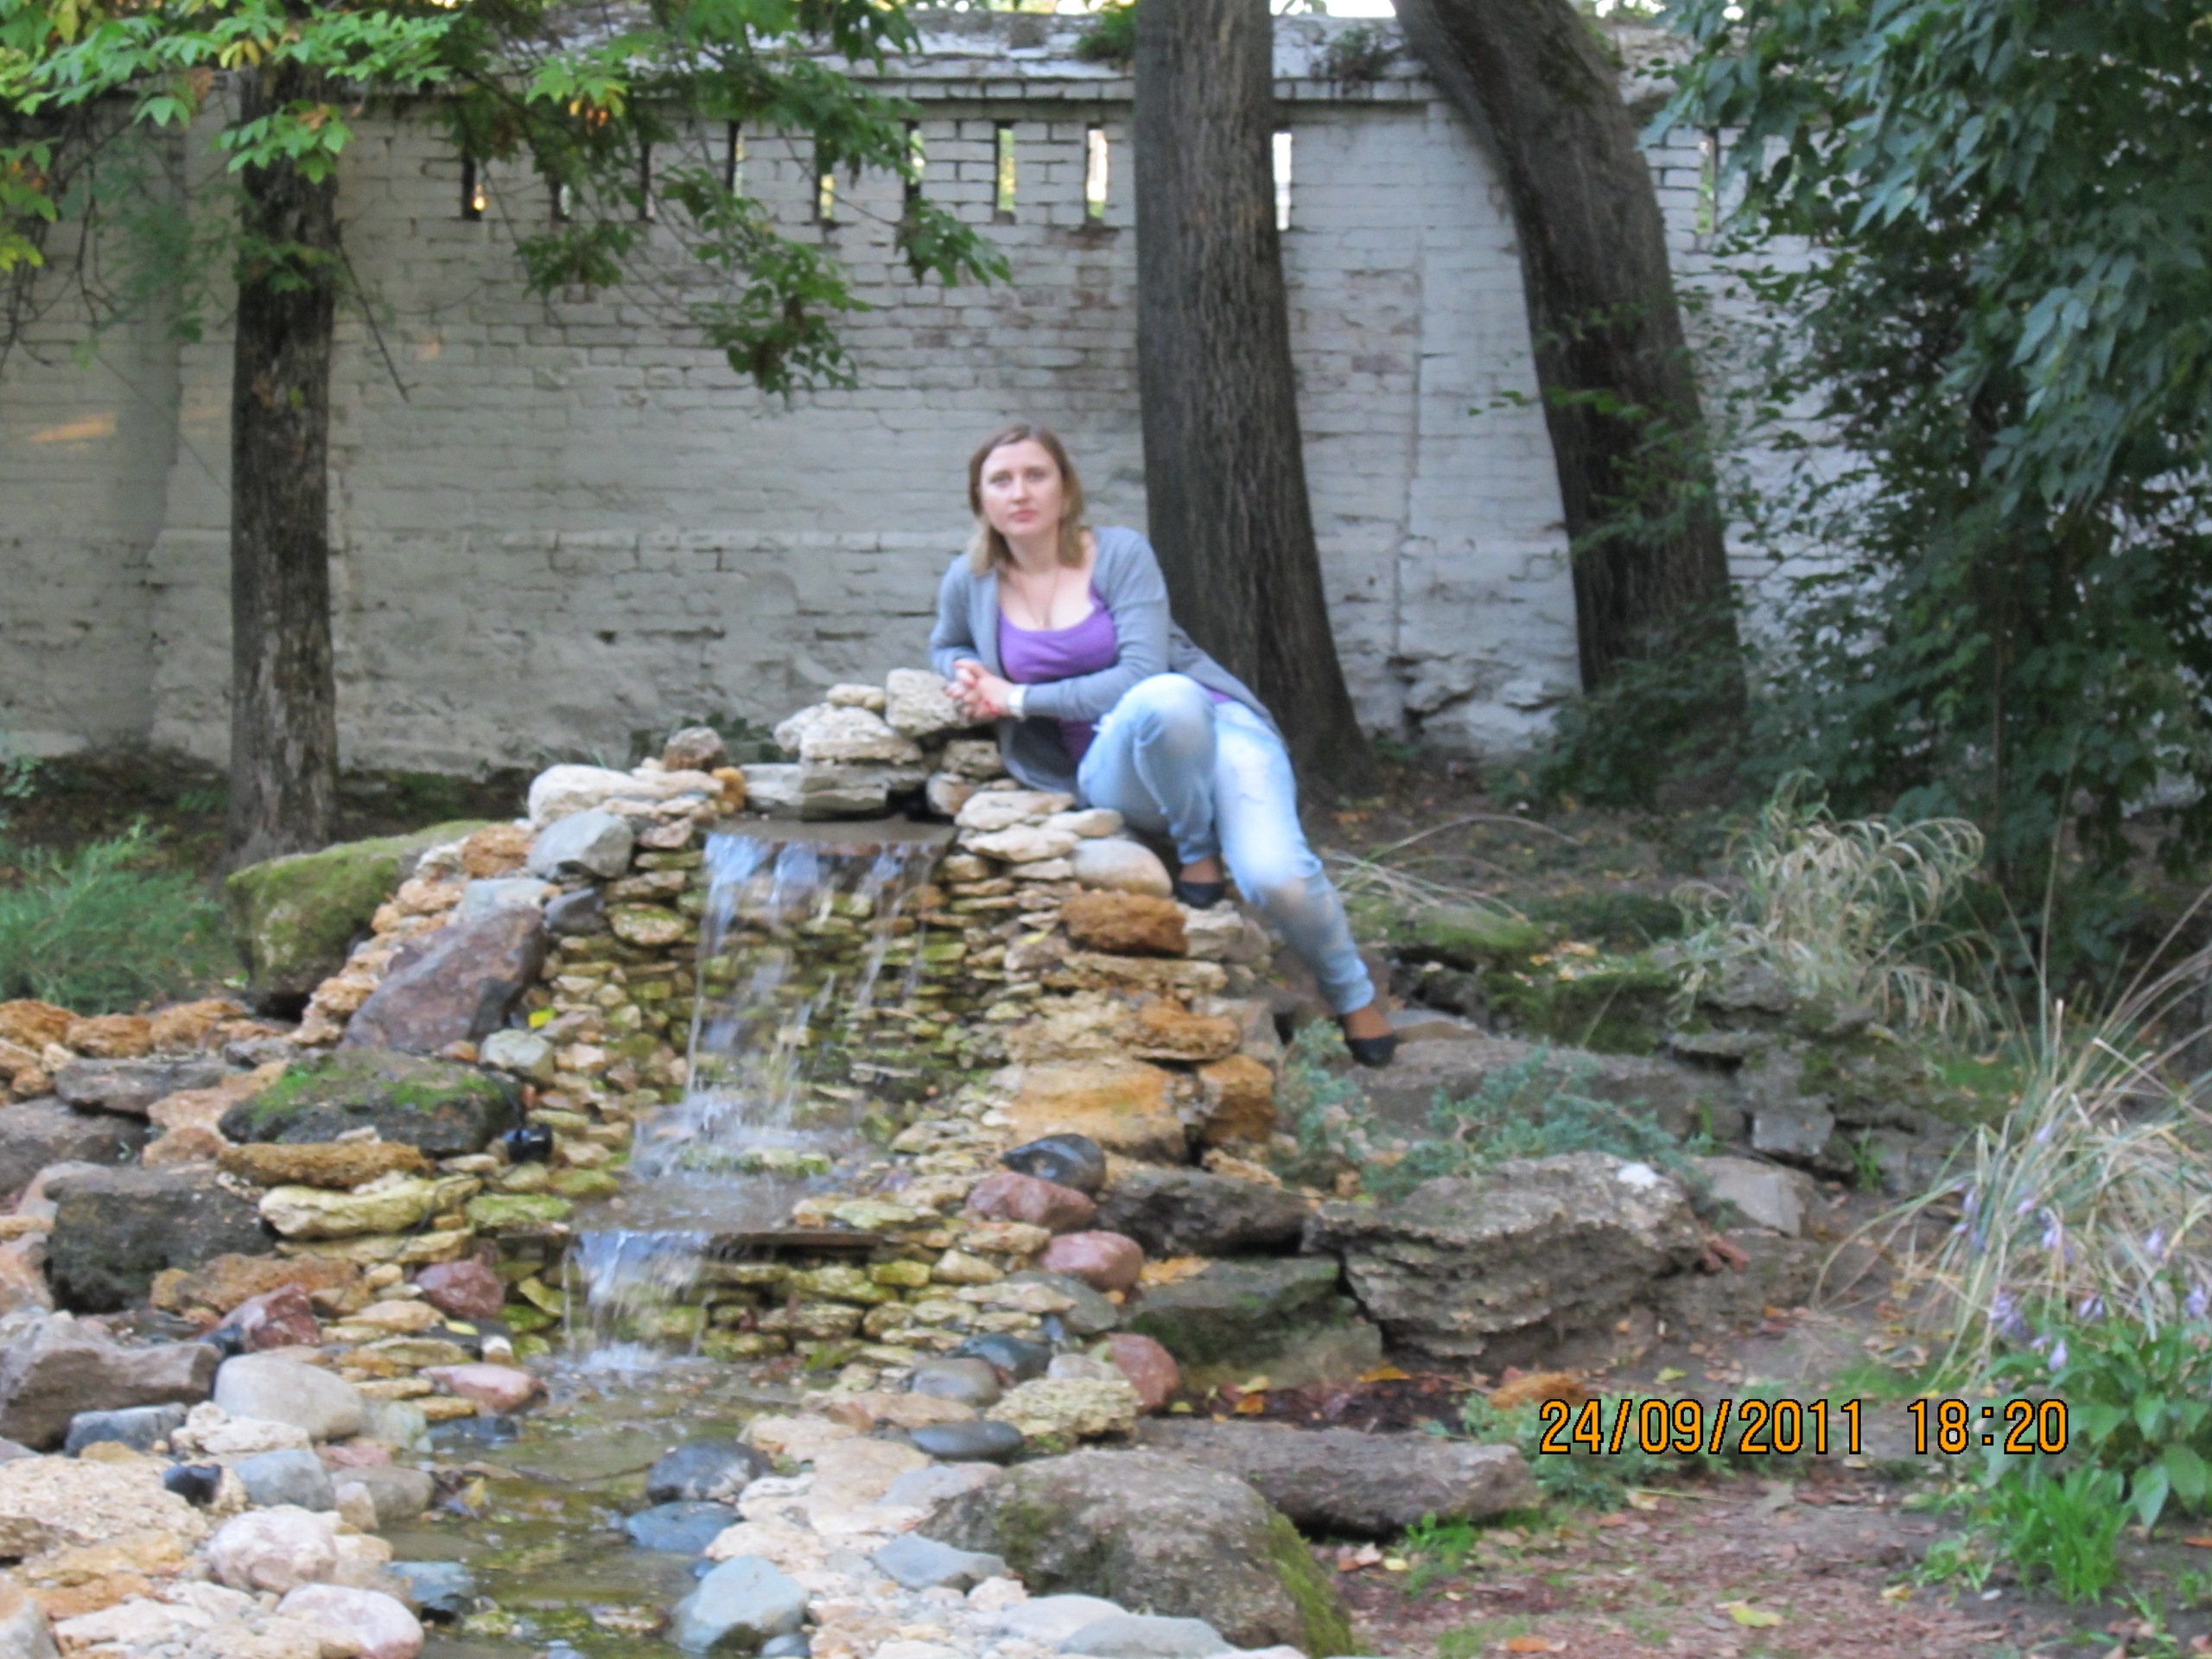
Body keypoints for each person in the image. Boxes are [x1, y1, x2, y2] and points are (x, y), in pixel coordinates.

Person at [928, 423, 1396, 1067]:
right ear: (980, 498)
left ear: (1066, 488)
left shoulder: (1120, 554)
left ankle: (1353, 995)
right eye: (1001, 480)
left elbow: (1141, 674)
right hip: (1115, 764)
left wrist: (1016, 699)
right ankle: (1194, 847)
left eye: (1037, 475)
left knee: (1276, 875)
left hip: (1218, 729)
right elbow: (948, 643)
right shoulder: (972, 579)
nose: (1020, 492)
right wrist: (965, 672)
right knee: (1164, 702)